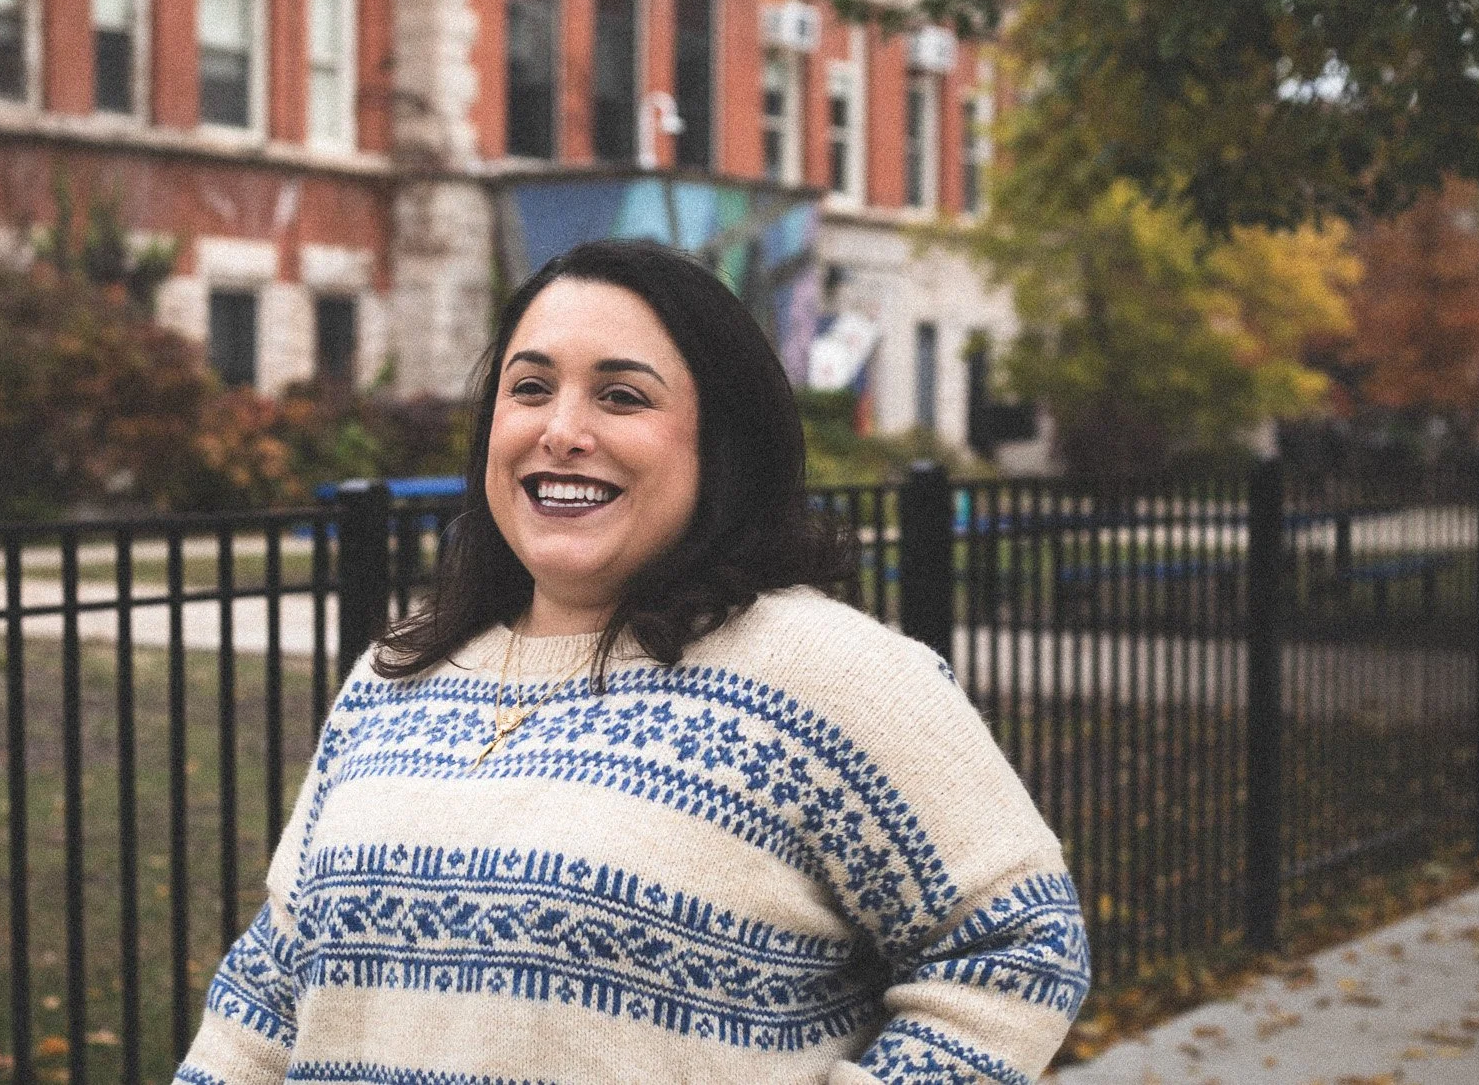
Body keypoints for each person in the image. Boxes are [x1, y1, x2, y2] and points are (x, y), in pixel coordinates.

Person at [176, 239, 1088, 1084]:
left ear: (716, 442)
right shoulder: (394, 674)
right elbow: (271, 985)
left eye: (622, 396)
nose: (561, 430)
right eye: (529, 388)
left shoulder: (827, 675)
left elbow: (1016, 945)